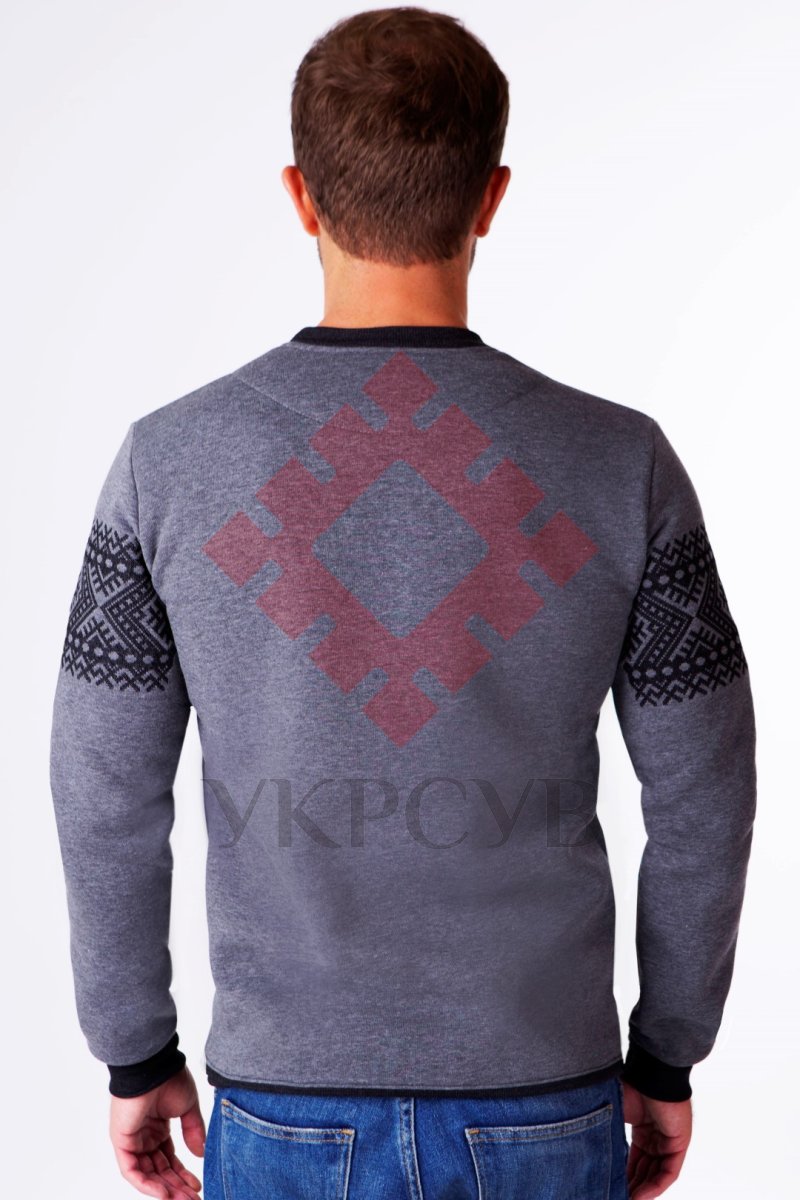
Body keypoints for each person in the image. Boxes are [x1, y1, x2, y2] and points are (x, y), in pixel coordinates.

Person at [49, 7, 757, 1200]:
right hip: (545, 1097)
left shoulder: (166, 465)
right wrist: (667, 1051)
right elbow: (704, 791)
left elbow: (101, 790)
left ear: (298, 196)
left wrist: (134, 1049)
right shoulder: (619, 465)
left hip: (280, 1104)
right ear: (490, 197)